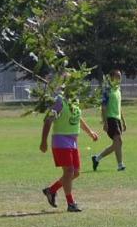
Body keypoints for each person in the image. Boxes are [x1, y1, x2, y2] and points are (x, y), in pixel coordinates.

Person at [40, 81, 99, 212]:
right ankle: (71, 203)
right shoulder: (59, 102)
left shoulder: (74, 101)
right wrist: (43, 141)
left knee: (76, 172)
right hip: (60, 140)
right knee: (69, 172)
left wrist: (90, 132)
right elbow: (48, 120)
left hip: (73, 141)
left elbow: (78, 118)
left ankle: (51, 190)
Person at [92, 70, 126, 172]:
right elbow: (103, 107)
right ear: (111, 77)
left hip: (117, 119)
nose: (119, 79)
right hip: (110, 119)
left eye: (120, 76)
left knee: (117, 144)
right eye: (117, 76)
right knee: (118, 141)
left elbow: (119, 107)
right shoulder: (107, 90)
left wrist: (123, 121)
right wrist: (105, 122)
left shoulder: (118, 90)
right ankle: (120, 165)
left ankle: (97, 158)